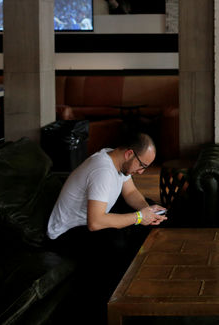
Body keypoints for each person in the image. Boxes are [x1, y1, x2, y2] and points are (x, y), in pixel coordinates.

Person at [47, 130, 166, 311]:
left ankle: (142, 278)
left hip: (92, 219)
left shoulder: (117, 159)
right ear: (129, 154)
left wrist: (146, 210)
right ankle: (114, 303)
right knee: (116, 240)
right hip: (66, 232)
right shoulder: (102, 170)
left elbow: (131, 193)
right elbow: (95, 223)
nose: (141, 172)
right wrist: (140, 217)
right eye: (142, 165)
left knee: (148, 207)